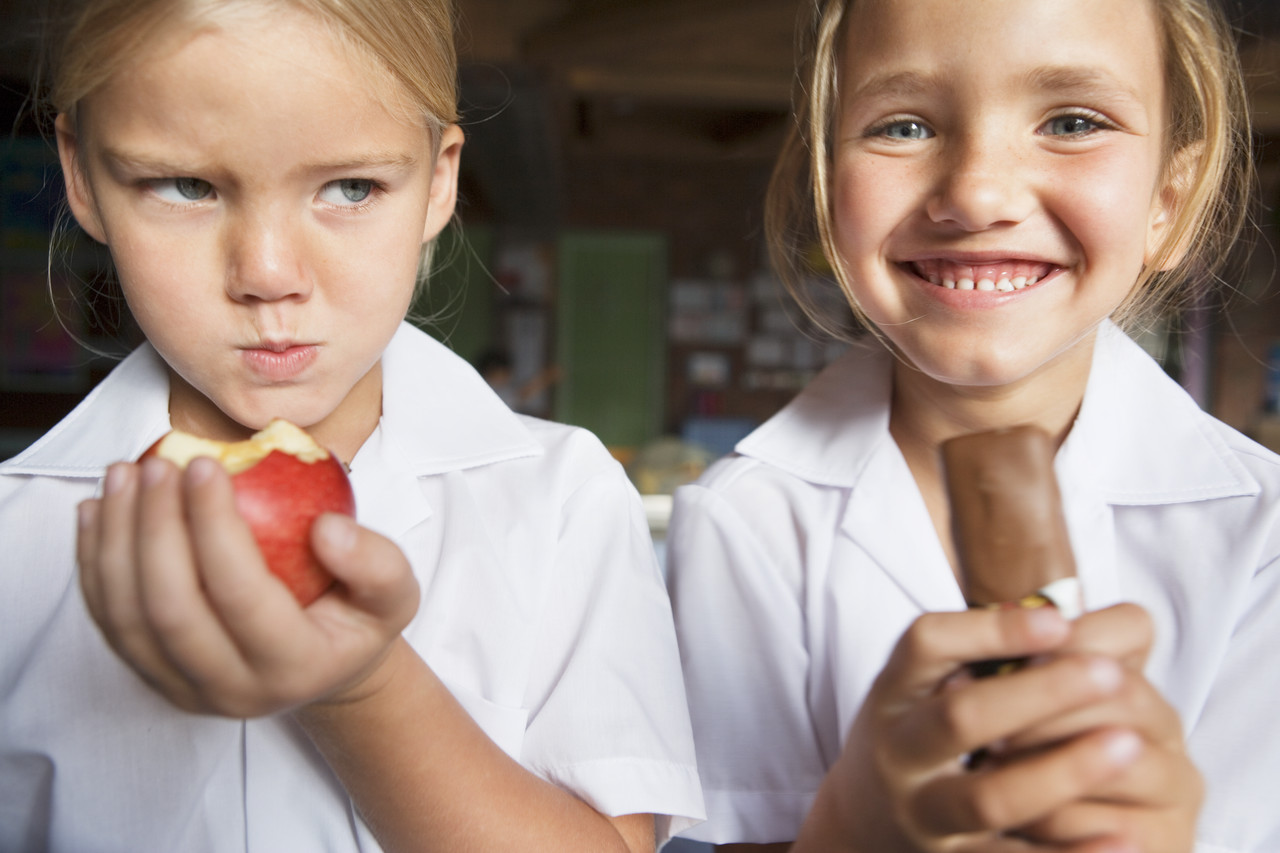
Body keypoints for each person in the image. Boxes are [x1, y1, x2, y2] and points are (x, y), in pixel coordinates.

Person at [0, 1, 703, 850]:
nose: (267, 274)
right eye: (185, 186)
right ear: (80, 174)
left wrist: (362, 685)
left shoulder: (561, 500)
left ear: (439, 180)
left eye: (350, 187)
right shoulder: (14, 532)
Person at [666, 0, 1276, 850]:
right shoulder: (744, 521)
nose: (978, 194)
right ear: (826, 185)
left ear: (1167, 201)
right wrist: (849, 828)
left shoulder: (1264, 543)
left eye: (1072, 120)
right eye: (904, 126)